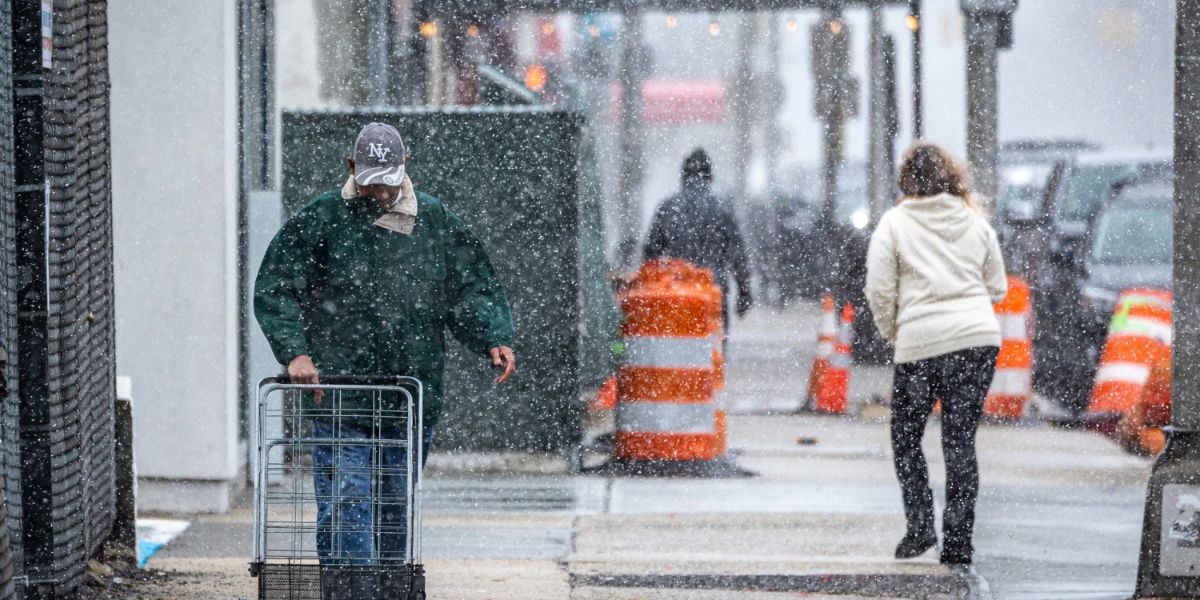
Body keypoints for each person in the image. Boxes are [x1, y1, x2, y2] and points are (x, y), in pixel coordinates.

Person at [254, 122, 515, 590]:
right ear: (353, 168)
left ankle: (388, 588)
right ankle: (357, 591)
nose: (380, 191)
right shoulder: (324, 217)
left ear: (405, 165)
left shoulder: (433, 221)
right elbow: (276, 286)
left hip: (409, 398)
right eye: (372, 180)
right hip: (339, 396)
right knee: (348, 505)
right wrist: (295, 353)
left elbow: (470, 287)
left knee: (393, 509)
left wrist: (491, 335)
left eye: (388, 180)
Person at [864, 143, 1007, 566]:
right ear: (950, 177)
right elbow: (996, 286)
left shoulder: (894, 223)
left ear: (907, 181)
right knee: (960, 440)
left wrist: (897, 334)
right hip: (977, 341)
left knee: (906, 438)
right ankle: (959, 541)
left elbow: (880, 289)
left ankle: (920, 525)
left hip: (920, 345)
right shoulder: (975, 222)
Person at [643, 148, 753, 336]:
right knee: (712, 355)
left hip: (676, 293)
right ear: (710, 177)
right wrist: (744, 292)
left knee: (677, 353)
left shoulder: (667, 208)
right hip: (713, 293)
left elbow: (650, 255)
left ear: (683, 177)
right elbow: (737, 255)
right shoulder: (722, 209)